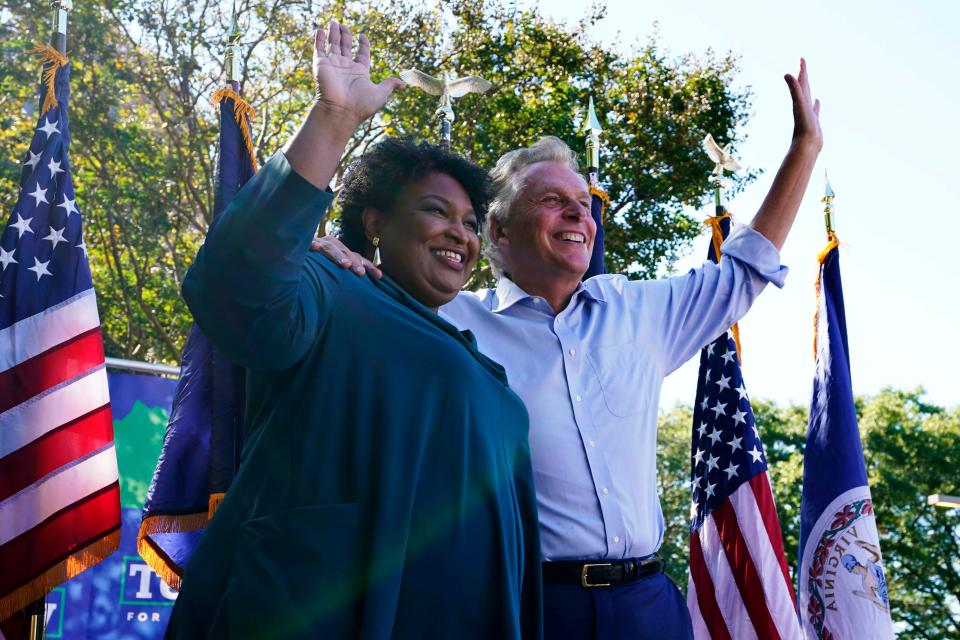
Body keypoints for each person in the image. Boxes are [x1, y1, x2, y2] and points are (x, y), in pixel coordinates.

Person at [316, 58, 823, 638]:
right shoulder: (443, 318)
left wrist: (804, 148)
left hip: (650, 605)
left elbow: (745, 270)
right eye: (552, 201)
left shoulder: (640, 313)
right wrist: (339, 256)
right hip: (531, 606)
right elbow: (357, 301)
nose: (579, 213)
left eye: (583, 202)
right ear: (499, 233)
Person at [166, 21, 542, 639]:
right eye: (435, 211)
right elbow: (237, 286)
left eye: (472, 222)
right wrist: (333, 119)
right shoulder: (331, 284)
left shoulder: (485, 371)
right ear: (373, 224)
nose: (461, 234)